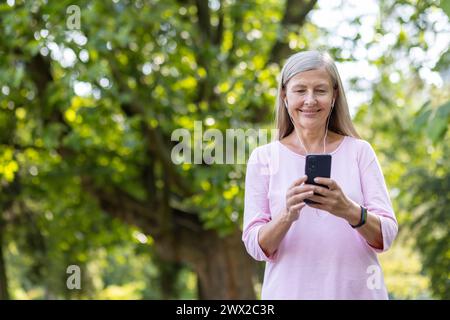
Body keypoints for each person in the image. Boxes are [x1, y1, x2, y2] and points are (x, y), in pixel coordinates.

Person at [242, 50, 398, 299]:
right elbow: (255, 245)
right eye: (300, 90)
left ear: (334, 95)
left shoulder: (359, 152)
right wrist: (286, 215)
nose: (310, 100)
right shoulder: (264, 158)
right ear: (284, 95)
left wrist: (348, 209)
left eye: (321, 90)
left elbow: (387, 234)